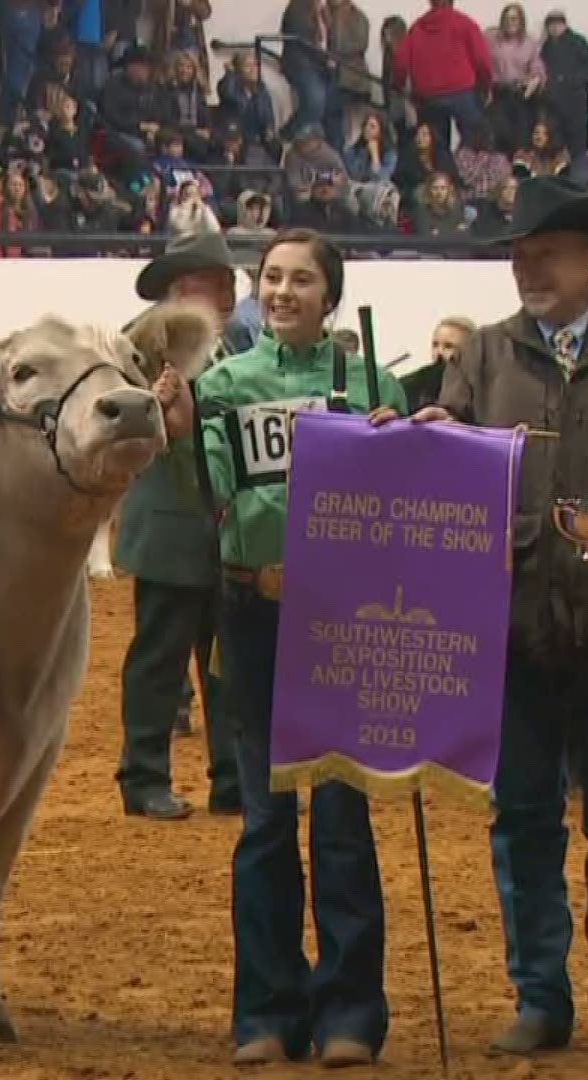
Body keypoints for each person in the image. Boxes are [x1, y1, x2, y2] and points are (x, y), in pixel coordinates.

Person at [376, 175, 588, 1058]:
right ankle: (540, 994)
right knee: (523, 816)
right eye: (520, 256)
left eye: (545, 254)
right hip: (511, 626)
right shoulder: (484, 356)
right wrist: (424, 431)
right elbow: (453, 451)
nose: (527, 268)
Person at [160, 227, 407, 1067]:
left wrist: (398, 439)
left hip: (345, 615)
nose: (283, 291)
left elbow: (412, 497)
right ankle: (264, 1010)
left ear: (330, 295)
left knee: (340, 818)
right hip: (253, 610)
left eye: (302, 279)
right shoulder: (222, 384)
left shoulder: (377, 384)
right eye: (271, 277)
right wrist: (182, 423)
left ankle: (350, 1015)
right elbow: (206, 491)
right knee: (265, 823)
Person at [114, 229, 253, 821]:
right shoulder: (142, 343)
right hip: (172, 520)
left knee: (224, 660)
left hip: (224, 524)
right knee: (160, 657)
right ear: (179, 288)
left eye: (227, 282)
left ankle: (231, 776)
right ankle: (143, 775)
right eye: (211, 281)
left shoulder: (242, 340)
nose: (226, 291)